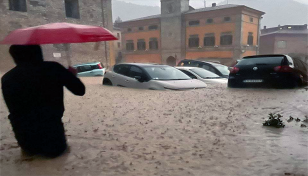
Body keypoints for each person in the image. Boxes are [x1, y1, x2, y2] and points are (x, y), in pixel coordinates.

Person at [1, 45, 85, 158]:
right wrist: (71, 76)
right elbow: (80, 90)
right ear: (38, 52)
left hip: (25, 140)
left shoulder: (7, 78)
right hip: (54, 138)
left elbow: (13, 109)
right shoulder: (53, 68)